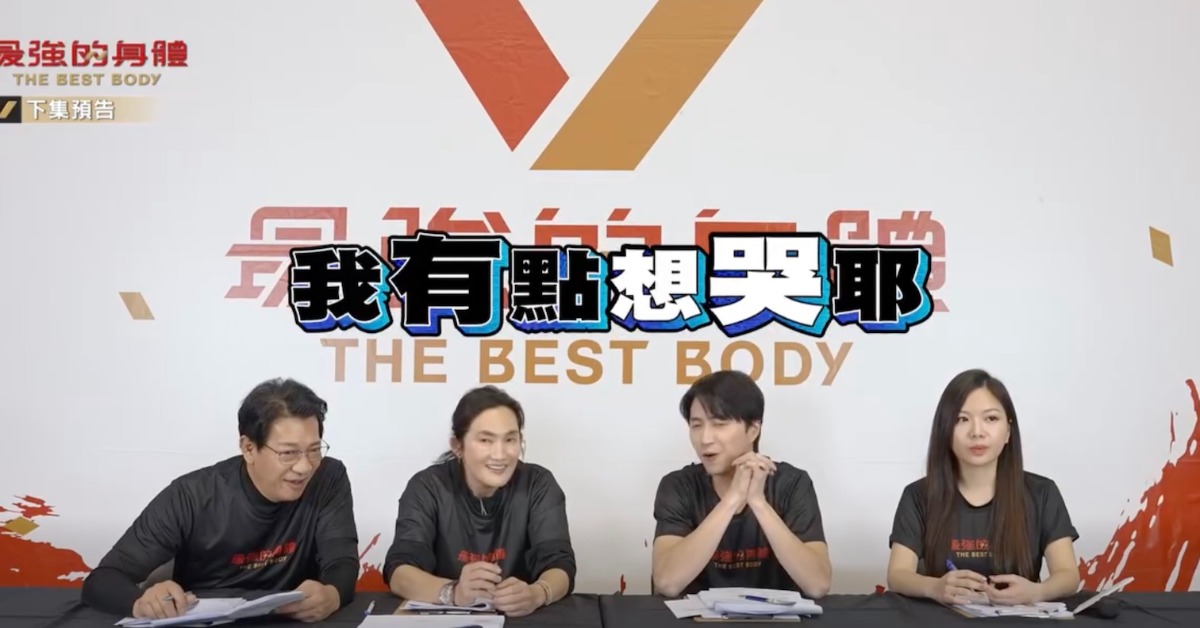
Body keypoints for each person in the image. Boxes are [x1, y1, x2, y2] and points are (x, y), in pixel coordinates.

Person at [80, 378, 359, 623]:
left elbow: (342, 561)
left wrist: (331, 595)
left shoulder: (328, 478)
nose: (305, 467)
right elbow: (103, 579)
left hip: (291, 621)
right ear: (248, 448)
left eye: (314, 450)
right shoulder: (192, 496)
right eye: (288, 453)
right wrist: (141, 602)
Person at [886, 368, 1081, 606]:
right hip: (942, 619)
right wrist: (935, 587)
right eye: (961, 419)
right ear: (945, 431)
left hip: (1019, 619)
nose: (977, 432)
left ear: (1008, 431)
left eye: (991, 419)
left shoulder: (1042, 493)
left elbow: (1068, 575)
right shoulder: (918, 496)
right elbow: (898, 574)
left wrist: (1036, 592)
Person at [383, 386, 576, 617]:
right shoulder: (427, 487)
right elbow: (399, 571)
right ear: (458, 446)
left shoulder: (538, 484)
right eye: (485, 440)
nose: (500, 454)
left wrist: (537, 593)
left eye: (510, 439)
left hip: (519, 619)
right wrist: (453, 592)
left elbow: (560, 563)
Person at [651, 370, 832, 598]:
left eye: (719, 424)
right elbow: (667, 583)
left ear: (753, 430)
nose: (705, 439)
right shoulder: (678, 486)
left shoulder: (792, 484)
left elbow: (817, 585)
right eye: (696, 425)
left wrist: (759, 503)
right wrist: (731, 500)